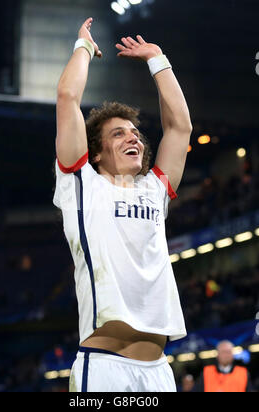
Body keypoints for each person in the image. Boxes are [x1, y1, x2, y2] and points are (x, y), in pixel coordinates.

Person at [53, 17, 192, 392]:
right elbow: (68, 98)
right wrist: (83, 47)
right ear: (95, 152)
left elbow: (180, 128)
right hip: (104, 368)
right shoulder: (81, 184)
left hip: (159, 369)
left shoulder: (154, 188)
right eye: (118, 134)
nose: (133, 138)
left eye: (135, 133)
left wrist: (158, 60)